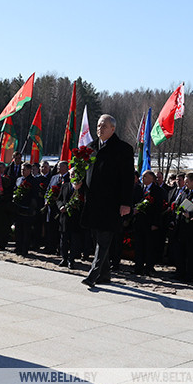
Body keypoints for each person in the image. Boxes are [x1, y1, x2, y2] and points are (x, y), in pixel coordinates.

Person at [78, 114, 134, 288]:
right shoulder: (90, 148)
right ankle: (105, 275)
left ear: (113, 129)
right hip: (92, 203)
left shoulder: (123, 149)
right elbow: (83, 172)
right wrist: (77, 181)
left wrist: (126, 202)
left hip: (111, 203)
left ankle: (93, 274)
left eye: (104, 125)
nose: (99, 128)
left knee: (103, 239)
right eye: (98, 125)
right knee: (96, 238)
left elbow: (127, 178)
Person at [132, 170, 166, 276]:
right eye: (142, 176)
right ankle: (138, 267)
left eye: (145, 176)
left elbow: (158, 208)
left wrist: (156, 223)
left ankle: (148, 268)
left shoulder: (157, 191)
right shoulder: (139, 188)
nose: (143, 178)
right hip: (138, 222)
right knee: (138, 246)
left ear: (152, 178)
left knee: (149, 246)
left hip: (150, 223)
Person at [57, 167, 86, 268]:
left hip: (76, 218)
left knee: (74, 240)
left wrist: (78, 205)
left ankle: (71, 260)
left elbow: (85, 202)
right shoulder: (65, 186)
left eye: (74, 174)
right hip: (65, 217)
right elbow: (59, 199)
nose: (72, 176)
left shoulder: (82, 188)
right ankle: (64, 258)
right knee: (63, 239)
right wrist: (61, 206)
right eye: (71, 174)